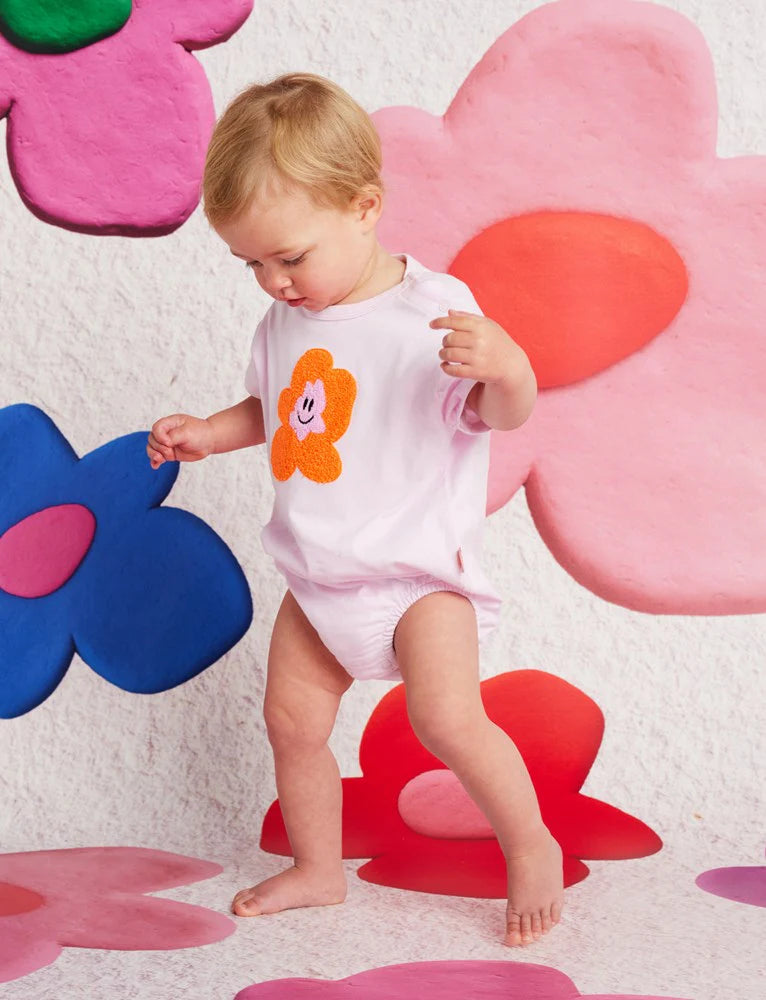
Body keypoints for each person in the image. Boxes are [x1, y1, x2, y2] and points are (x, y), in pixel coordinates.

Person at [147, 73, 563, 948]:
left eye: (289, 258)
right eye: (252, 265)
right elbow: (278, 409)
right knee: (292, 723)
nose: (273, 282)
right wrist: (210, 433)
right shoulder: (286, 323)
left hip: (418, 578)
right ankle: (319, 868)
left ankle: (531, 845)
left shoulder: (434, 311)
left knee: (447, 718)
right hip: (320, 576)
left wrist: (510, 368)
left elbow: (498, 414)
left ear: (364, 207)